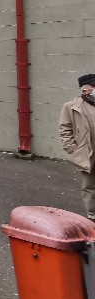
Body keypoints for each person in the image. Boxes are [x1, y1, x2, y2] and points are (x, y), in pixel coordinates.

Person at [59, 74, 95, 221]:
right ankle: (92, 216)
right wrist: (73, 151)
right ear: (85, 89)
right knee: (90, 187)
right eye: (94, 86)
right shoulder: (71, 107)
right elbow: (65, 130)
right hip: (87, 153)